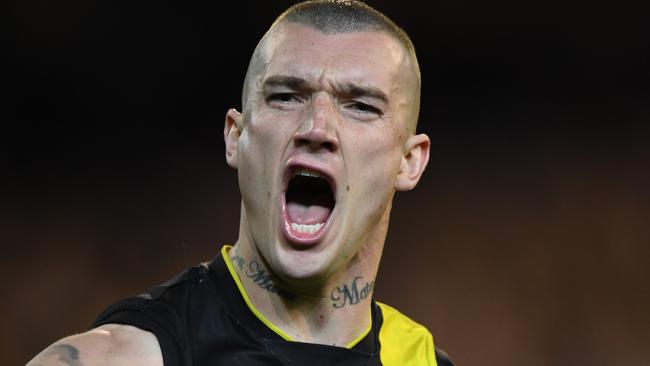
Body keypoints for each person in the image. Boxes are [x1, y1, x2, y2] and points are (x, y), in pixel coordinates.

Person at [27, 1, 453, 365]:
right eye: (286, 96)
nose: (317, 127)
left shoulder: (422, 358)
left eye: (360, 105)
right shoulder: (124, 356)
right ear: (235, 137)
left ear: (409, 161)